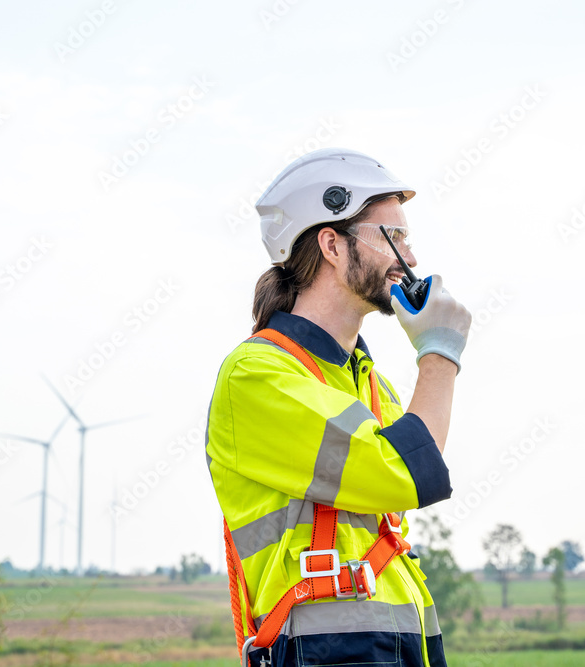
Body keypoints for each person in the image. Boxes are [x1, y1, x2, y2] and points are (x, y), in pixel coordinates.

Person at [205, 148, 472, 667]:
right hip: (327, 645)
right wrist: (439, 355)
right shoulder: (259, 376)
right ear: (331, 243)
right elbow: (406, 474)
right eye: (392, 238)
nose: (410, 260)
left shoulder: (372, 385)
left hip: (400, 639)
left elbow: (421, 472)